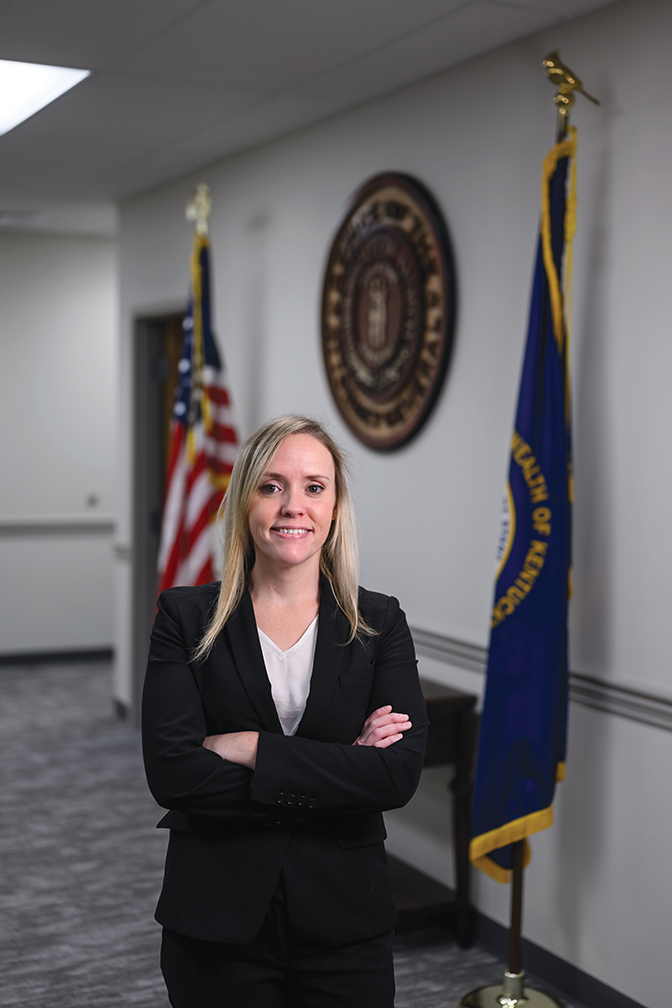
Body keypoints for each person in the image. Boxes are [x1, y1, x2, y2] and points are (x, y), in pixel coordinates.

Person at [142, 414, 429, 1008]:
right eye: (271, 486)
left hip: (345, 922)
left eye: (313, 487)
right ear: (245, 500)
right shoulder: (184, 618)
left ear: (335, 506)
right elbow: (173, 774)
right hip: (216, 920)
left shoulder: (379, 623)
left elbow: (396, 775)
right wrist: (342, 765)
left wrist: (249, 748)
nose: (292, 505)